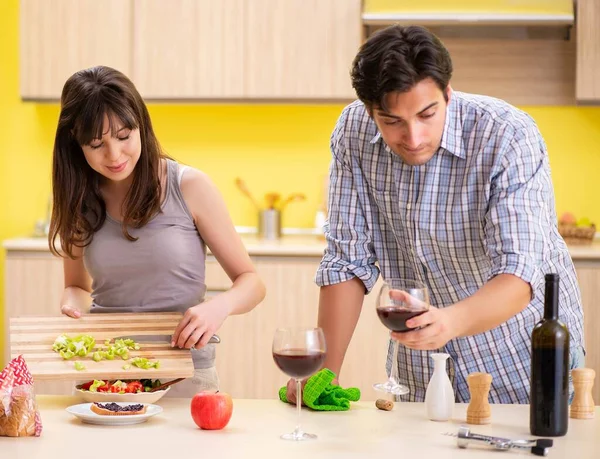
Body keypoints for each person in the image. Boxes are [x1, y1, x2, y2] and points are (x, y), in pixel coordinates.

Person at [286, 25, 585, 404]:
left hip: (521, 358)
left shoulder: (507, 135)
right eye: (392, 121)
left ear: (447, 93)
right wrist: (322, 374)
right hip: (422, 367)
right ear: (369, 109)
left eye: (427, 114)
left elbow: (520, 272)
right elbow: (347, 260)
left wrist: (450, 322)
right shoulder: (353, 133)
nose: (413, 138)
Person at [49, 65, 266, 396]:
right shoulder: (78, 197)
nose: (115, 155)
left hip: (184, 372)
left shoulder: (190, 186)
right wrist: (72, 305)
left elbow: (252, 283)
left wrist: (218, 307)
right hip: (106, 372)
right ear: (75, 145)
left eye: (124, 136)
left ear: (141, 125)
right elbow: (77, 286)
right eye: (96, 145)